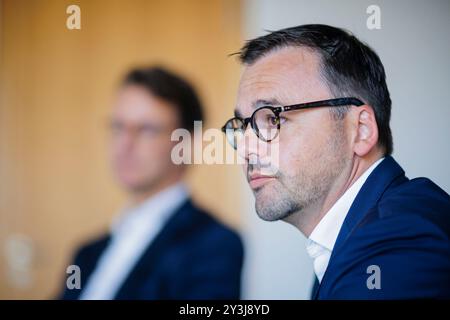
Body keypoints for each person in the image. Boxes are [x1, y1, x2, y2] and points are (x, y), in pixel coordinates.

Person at [222, 24, 450, 299]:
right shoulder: (357, 236)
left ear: (361, 130)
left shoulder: (398, 244)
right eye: (242, 126)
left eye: (272, 118)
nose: (245, 147)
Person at [61, 66, 243, 300]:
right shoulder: (86, 253)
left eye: (146, 129)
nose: (124, 144)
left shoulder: (215, 245)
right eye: (118, 127)